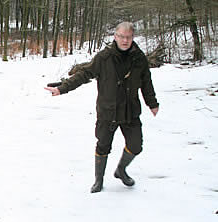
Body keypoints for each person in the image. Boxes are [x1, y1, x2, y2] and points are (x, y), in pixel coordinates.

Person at [44, 22, 159, 193]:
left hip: (130, 111)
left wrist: (152, 102)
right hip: (108, 111)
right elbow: (84, 74)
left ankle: (121, 170)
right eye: (121, 36)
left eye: (128, 37)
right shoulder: (104, 58)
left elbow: (146, 82)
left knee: (136, 145)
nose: (125, 40)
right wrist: (62, 88)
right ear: (115, 36)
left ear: (132, 37)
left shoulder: (139, 58)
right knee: (103, 145)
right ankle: (99, 180)